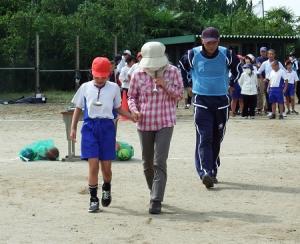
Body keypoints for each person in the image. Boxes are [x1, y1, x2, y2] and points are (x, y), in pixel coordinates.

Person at [179, 27, 242, 188]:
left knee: (217, 137)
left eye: (214, 42)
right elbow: (181, 67)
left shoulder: (226, 54)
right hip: (201, 99)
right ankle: (205, 172)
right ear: (202, 41)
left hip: (221, 100)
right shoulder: (193, 54)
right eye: (208, 43)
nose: (211, 45)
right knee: (204, 136)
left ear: (218, 41)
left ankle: (212, 168)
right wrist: (187, 85)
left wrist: (232, 83)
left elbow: (238, 69)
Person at [70, 57, 135, 213]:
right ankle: (93, 199)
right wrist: (73, 128)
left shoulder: (114, 88)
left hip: (107, 128)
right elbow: (78, 108)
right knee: (93, 165)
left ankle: (107, 186)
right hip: (90, 127)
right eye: (97, 76)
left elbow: (118, 109)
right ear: (92, 73)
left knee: (106, 169)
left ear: (109, 74)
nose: (100, 79)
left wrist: (132, 116)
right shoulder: (85, 87)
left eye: (103, 76)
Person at [128, 41, 183, 214]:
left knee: (160, 161)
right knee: (147, 162)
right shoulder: (137, 74)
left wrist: (164, 85)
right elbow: (131, 97)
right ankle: (153, 189)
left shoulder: (173, 72)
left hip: (165, 122)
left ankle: (156, 199)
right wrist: (134, 111)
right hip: (144, 123)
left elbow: (180, 95)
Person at [257, 49, 285, 117]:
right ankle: (271, 111)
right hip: (268, 82)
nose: (270, 55)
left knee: (280, 97)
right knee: (269, 97)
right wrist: (263, 79)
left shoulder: (278, 63)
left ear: (274, 55)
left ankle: (282, 112)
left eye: (272, 54)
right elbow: (259, 71)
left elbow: (284, 71)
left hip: (278, 82)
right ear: (267, 55)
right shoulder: (265, 63)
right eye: (269, 54)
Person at [256, 47, 268, 113]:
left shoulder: (268, 59)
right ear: (260, 52)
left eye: (264, 51)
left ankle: (266, 108)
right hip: (260, 78)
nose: (263, 52)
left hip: (268, 78)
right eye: (262, 51)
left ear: (266, 52)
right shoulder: (258, 58)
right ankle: (259, 108)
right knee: (260, 93)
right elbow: (258, 65)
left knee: (267, 93)